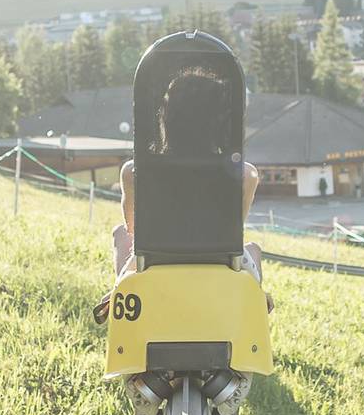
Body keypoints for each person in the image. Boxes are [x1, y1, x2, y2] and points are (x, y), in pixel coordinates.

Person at [107, 66, 265, 285]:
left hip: (155, 264)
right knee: (253, 249)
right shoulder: (246, 175)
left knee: (120, 235)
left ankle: (124, 295)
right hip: (218, 267)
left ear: (166, 117)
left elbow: (133, 228)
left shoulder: (134, 172)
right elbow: (234, 229)